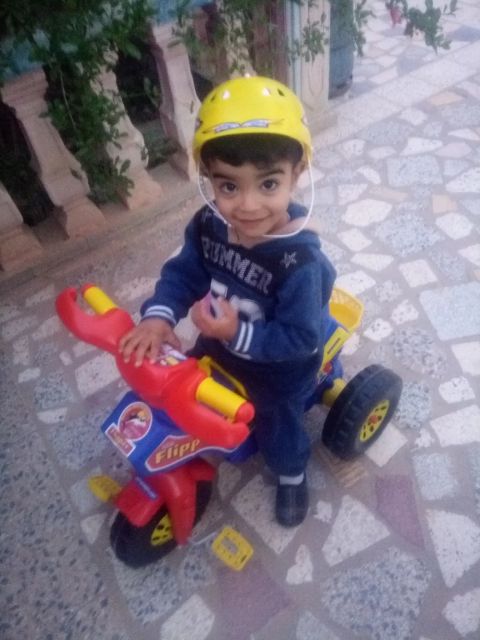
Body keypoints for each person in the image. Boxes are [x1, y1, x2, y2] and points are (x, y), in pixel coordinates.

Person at [119, 76, 336, 527]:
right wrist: (160, 317)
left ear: (297, 174)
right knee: (175, 388)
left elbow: (300, 338)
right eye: (229, 187)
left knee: (277, 424)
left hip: (278, 372)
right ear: (208, 179)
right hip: (218, 348)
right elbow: (185, 272)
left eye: (269, 184)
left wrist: (237, 331)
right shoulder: (210, 225)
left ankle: (292, 474)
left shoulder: (300, 262)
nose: (248, 205)